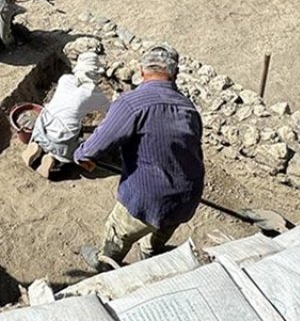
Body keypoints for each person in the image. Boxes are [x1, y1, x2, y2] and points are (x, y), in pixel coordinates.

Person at [75, 45, 204, 271]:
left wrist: (79, 155)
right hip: (188, 196)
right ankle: (151, 253)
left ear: (142, 71)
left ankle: (105, 264)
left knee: (118, 232)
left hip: (146, 198)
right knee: (161, 230)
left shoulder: (131, 104)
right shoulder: (189, 108)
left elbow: (90, 150)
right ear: (174, 74)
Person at [23, 50, 110, 179]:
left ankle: (37, 145)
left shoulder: (65, 79)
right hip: (61, 139)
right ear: (96, 73)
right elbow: (112, 112)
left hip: (42, 124)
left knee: (61, 118)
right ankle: (54, 158)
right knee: (75, 148)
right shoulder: (94, 93)